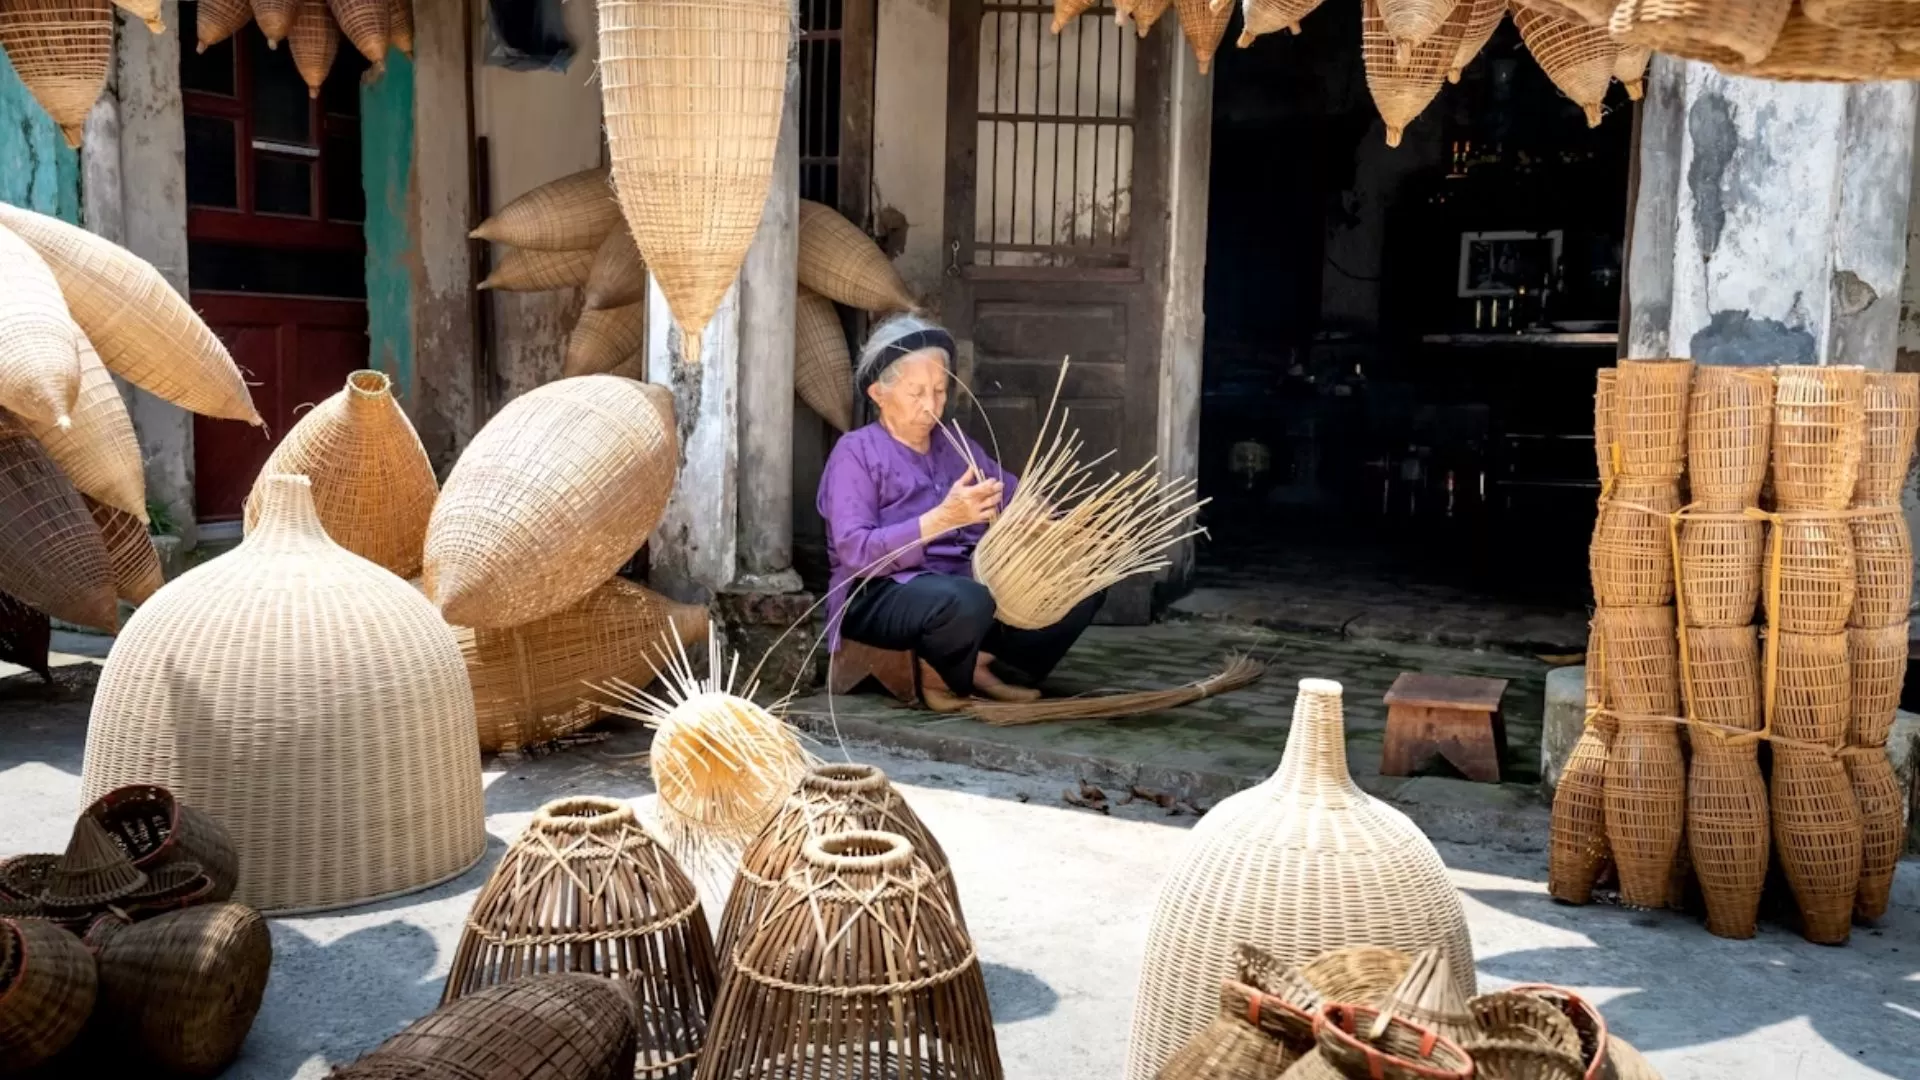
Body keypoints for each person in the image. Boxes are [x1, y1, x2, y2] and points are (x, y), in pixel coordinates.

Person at [817, 314, 1104, 712]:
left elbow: (1013, 494)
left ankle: (979, 666)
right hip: (879, 591)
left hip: (967, 586)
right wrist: (943, 519)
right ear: (879, 394)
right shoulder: (856, 452)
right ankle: (940, 678)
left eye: (939, 389)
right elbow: (856, 552)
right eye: (916, 392)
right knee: (966, 600)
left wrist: (1052, 526)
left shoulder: (953, 443)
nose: (931, 405)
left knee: (1082, 582)